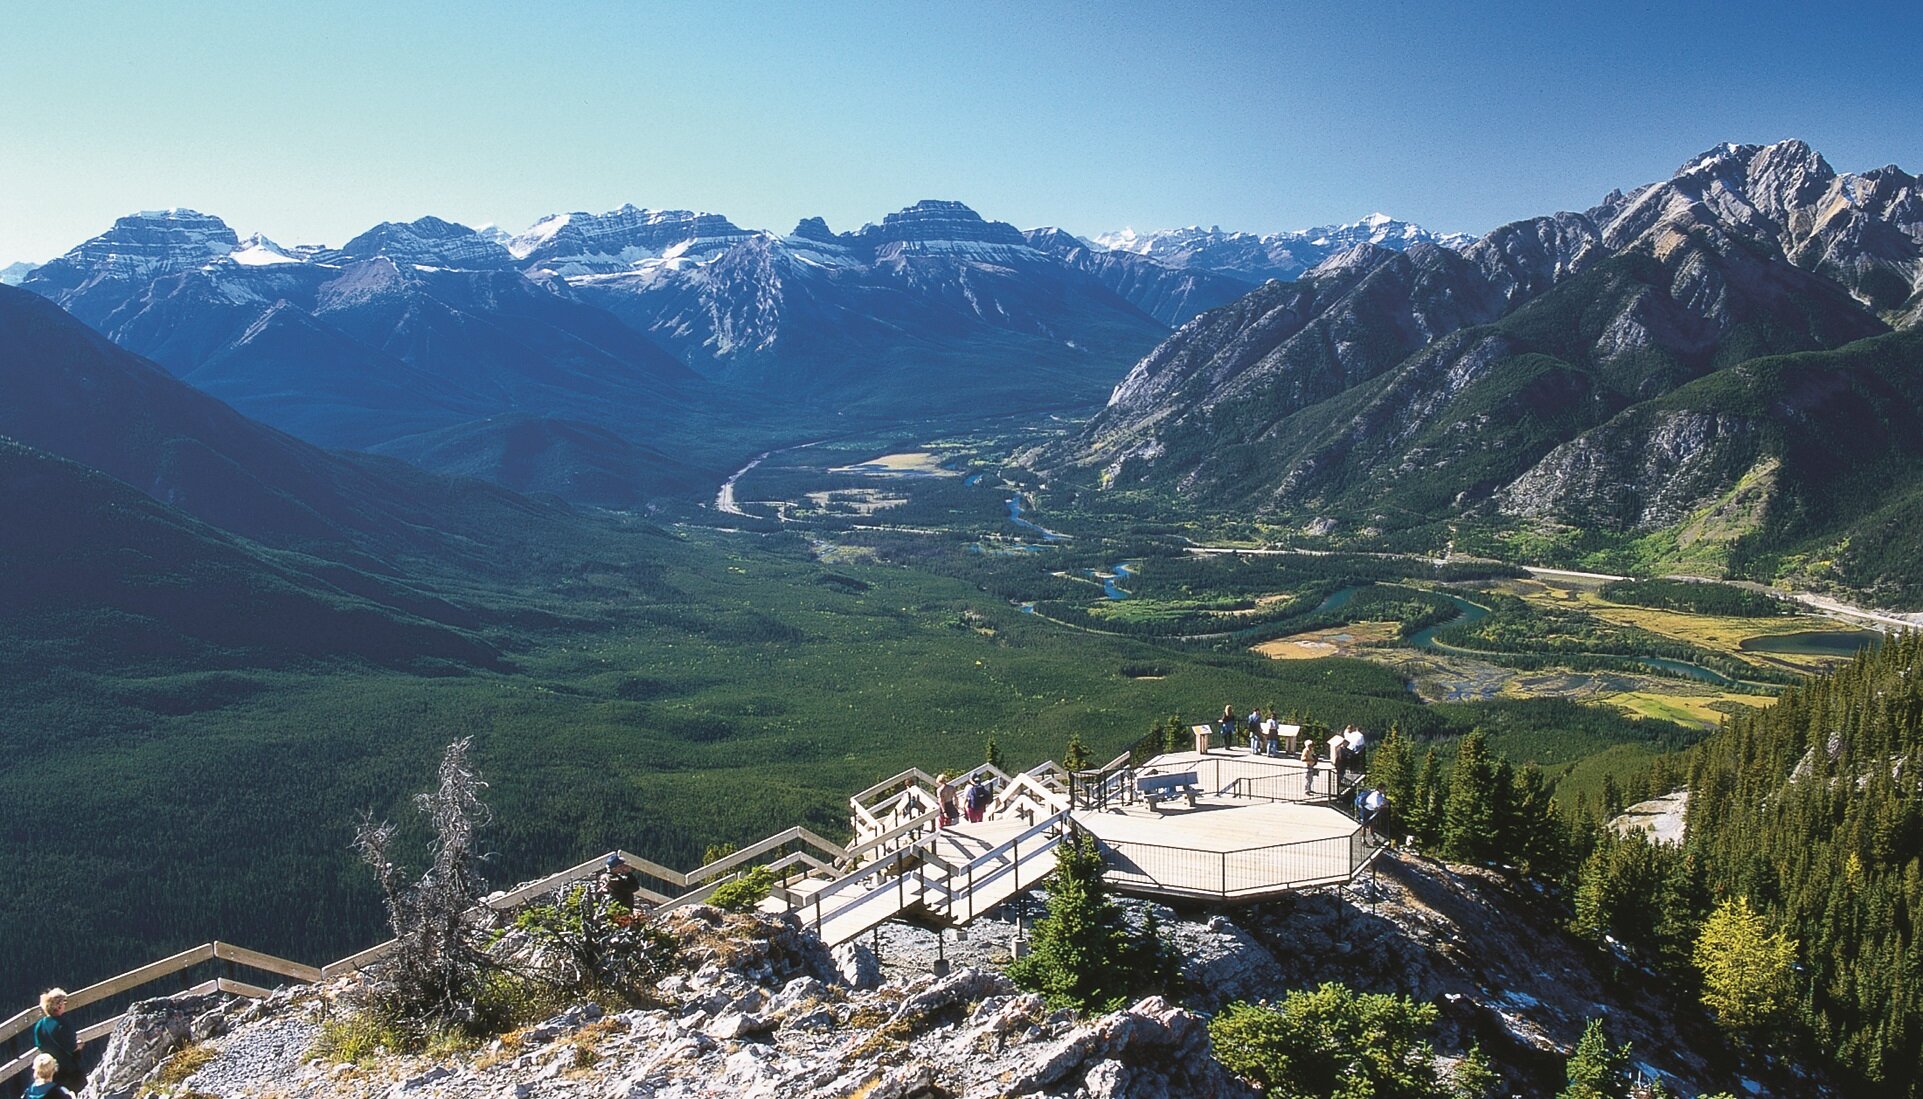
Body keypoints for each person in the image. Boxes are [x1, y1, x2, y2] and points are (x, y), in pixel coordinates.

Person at [33, 989, 84, 1094]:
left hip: (51, 1071)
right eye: (63, 1002)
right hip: (69, 1070)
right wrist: (79, 1045)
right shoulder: (63, 1024)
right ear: (58, 1006)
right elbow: (72, 1047)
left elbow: (40, 1046)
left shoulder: (39, 1025)